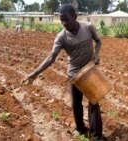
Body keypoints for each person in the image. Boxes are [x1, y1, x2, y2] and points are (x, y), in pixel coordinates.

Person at [22, 4, 103, 141]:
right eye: (61, 20)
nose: (64, 23)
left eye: (67, 19)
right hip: (74, 74)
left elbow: (98, 41)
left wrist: (96, 54)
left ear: (75, 17)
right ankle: (80, 129)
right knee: (76, 103)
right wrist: (34, 74)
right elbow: (51, 57)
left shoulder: (88, 27)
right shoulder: (61, 37)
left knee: (94, 103)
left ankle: (96, 137)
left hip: (89, 71)